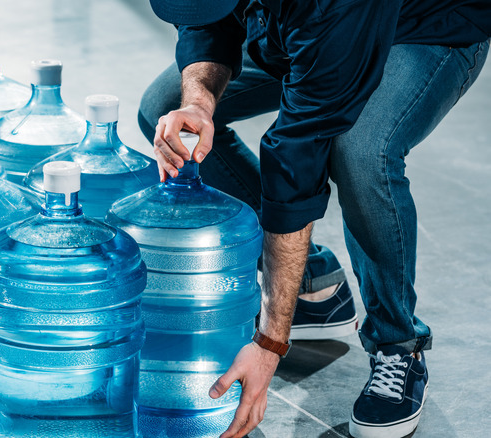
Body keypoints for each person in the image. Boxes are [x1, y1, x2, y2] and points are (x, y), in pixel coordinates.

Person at [139, 1, 491, 437]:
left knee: (360, 151)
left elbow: (296, 158)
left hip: (425, 25)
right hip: (300, 26)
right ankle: (312, 285)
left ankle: (398, 343)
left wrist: (269, 343)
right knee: (165, 104)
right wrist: (198, 105)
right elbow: (207, 23)